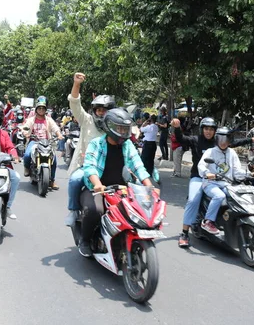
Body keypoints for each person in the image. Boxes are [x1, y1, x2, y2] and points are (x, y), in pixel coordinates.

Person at [78, 108, 157, 257]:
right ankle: (85, 240)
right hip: (98, 190)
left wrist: (149, 186)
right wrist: (97, 184)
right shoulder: (96, 144)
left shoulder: (128, 146)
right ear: (109, 127)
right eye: (120, 128)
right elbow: (89, 167)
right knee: (95, 210)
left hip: (122, 191)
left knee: (136, 214)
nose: (123, 132)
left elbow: (138, 166)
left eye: (125, 129)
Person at [174, 117, 254, 247]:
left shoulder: (223, 145)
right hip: (200, 178)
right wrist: (176, 128)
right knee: (193, 200)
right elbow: (182, 139)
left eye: (211, 129)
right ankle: (185, 233)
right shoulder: (197, 141)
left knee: (234, 196)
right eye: (206, 129)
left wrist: (252, 140)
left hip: (224, 180)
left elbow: (236, 143)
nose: (208, 132)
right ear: (202, 129)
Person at [64, 72, 116, 226]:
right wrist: (77, 84)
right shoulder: (87, 120)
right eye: (98, 110)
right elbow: (74, 103)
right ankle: (73, 210)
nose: (101, 113)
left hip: (111, 166)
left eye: (104, 110)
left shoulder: (115, 126)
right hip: (87, 166)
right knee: (74, 180)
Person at [197, 127, 254, 234]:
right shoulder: (210, 152)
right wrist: (207, 173)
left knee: (237, 196)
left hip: (227, 184)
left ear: (229, 140)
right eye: (221, 139)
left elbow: (236, 171)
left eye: (226, 140)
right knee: (219, 196)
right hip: (210, 183)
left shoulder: (232, 153)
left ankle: (232, 220)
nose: (223, 143)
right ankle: (208, 221)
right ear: (217, 139)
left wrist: (250, 174)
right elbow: (201, 165)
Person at [22, 96, 64, 190]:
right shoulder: (31, 119)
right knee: (27, 155)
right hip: (34, 141)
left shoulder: (48, 119)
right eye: (39, 108)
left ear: (45, 110)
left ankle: (52, 181)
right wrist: (26, 133)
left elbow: (55, 128)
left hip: (46, 142)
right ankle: (27, 168)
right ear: (36, 109)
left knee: (54, 159)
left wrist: (59, 135)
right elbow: (25, 127)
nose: (41, 110)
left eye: (43, 108)